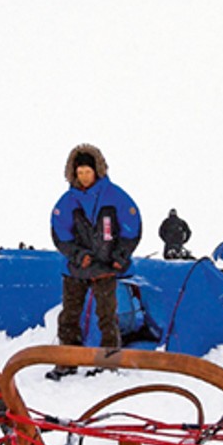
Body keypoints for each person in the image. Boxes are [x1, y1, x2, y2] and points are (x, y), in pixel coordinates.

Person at [50, 143, 141, 374]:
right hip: (76, 268)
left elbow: (131, 228)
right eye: (79, 173)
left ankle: (109, 364)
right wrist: (79, 255)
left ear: (97, 170)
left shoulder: (116, 197)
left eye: (88, 172)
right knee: (69, 317)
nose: (84, 177)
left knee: (107, 318)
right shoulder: (66, 202)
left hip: (106, 268)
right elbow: (60, 234)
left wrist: (120, 255)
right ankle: (68, 362)